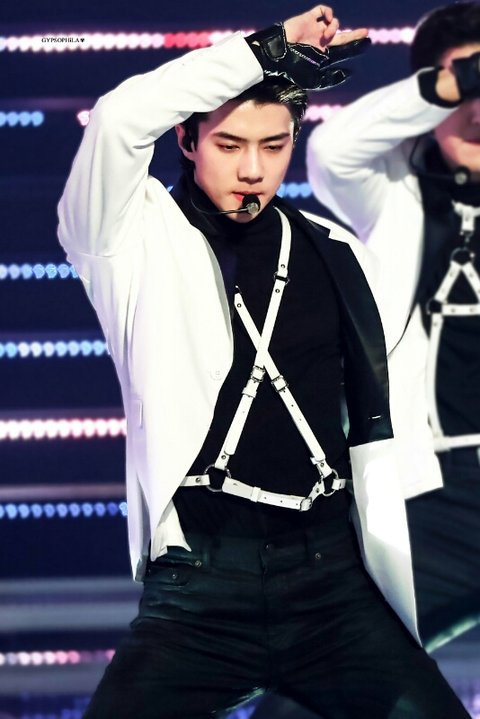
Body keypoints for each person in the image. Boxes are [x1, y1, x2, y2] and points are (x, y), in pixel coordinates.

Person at [58, 5, 470, 718]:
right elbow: (120, 118)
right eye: (230, 144)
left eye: (274, 145)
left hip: (332, 584)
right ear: (187, 138)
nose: (253, 168)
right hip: (200, 590)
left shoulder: (338, 253)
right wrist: (264, 52)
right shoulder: (131, 241)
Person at [307, 0, 480, 654]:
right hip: (435, 500)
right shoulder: (393, 190)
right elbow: (331, 148)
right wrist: (453, 83)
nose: (478, 112)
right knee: (342, 674)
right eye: (464, 89)